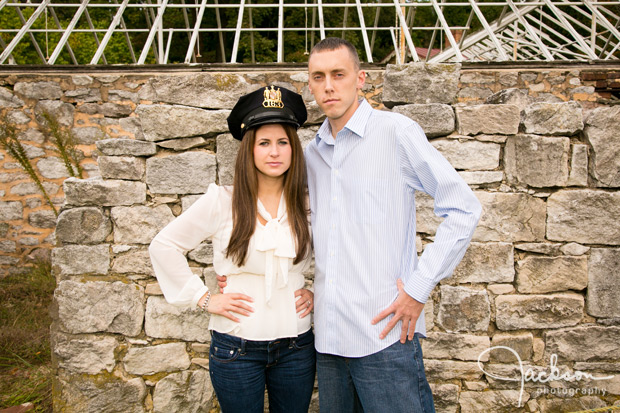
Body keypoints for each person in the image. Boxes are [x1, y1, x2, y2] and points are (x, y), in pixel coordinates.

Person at [304, 37, 482, 412]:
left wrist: (418, 288)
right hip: (329, 340)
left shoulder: (395, 133)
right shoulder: (312, 153)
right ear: (310, 83)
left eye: (339, 74)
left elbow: (463, 207)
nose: (329, 86)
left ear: (361, 78)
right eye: (318, 77)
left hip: (382, 337)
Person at [149, 85, 316, 413]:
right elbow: (164, 245)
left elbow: (340, 253)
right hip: (235, 348)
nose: (274, 152)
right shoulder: (221, 201)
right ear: (249, 149)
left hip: (296, 346)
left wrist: (316, 290)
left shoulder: (308, 204)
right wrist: (205, 298)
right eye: (264, 143)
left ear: (294, 149)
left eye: (283, 142)